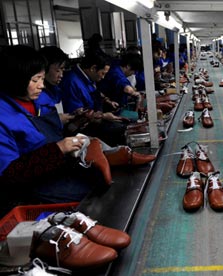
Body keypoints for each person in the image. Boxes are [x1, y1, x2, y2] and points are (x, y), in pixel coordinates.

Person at [0, 45, 103, 216]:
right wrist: (59, 149)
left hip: (57, 174)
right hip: (34, 192)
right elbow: (9, 175)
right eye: (35, 80)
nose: (41, 85)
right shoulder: (4, 117)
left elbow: (52, 133)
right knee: (93, 200)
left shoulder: (36, 101)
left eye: (42, 78)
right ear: (16, 79)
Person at [60, 51, 129, 146]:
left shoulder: (88, 77)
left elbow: (94, 91)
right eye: (102, 73)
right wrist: (104, 116)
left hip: (93, 119)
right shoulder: (71, 82)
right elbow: (77, 114)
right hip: (79, 129)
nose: (103, 77)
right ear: (93, 68)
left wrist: (107, 100)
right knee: (119, 130)